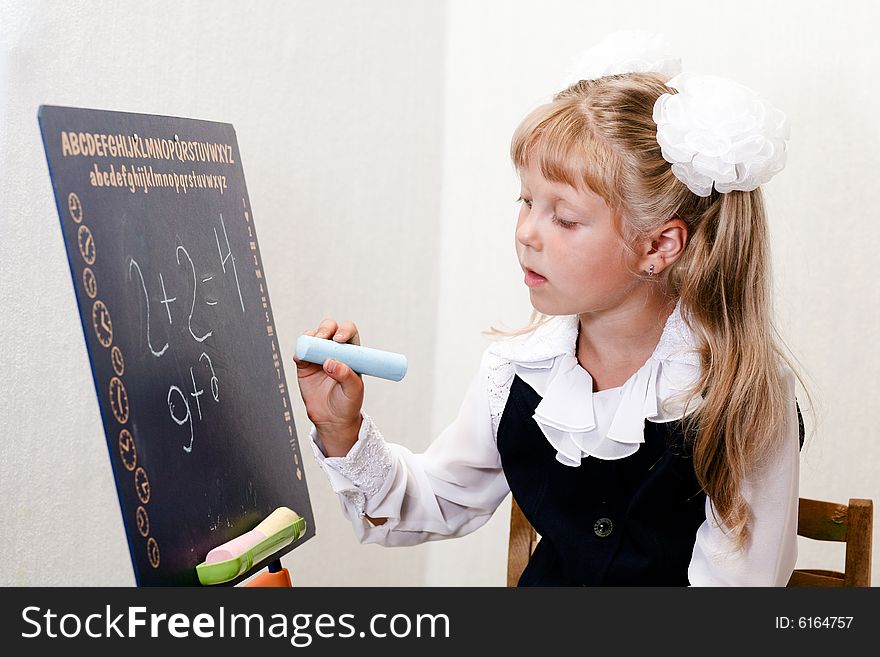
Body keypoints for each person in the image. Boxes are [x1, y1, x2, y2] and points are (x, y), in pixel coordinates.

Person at [293, 31, 810, 586]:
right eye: (525, 201)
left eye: (564, 219)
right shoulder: (520, 371)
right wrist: (341, 429)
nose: (526, 233)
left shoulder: (740, 394)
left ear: (659, 245)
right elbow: (433, 501)